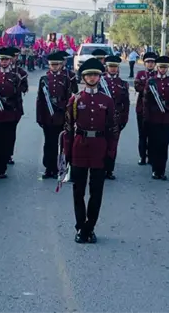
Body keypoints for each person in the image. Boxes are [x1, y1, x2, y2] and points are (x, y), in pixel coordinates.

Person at [62, 58, 118, 243]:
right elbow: (69, 129)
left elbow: (112, 130)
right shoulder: (75, 100)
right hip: (79, 147)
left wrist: (111, 154)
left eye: (95, 75)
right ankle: (80, 227)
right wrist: (67, 153)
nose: (92, 78)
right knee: (78, 191)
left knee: (97, 191)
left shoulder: (107, 101)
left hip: (99, 149)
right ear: (83, 77)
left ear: (100, 77)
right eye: (89, 75)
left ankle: (90, 227)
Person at [0, 47, 24, 179]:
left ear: (10, 60)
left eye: (6, 59)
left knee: (5, 143)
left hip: (9, 114)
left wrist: (17, 115)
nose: (4, 62)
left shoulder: (15, 77)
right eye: (2, 59)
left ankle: (2, 169)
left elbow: (18, 98)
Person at [36, 52, 74, 179]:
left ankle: (60, 168)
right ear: (49, 65)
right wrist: (39, 117)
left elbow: (69, 98)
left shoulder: (66, 79)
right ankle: (48, 168)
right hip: (47, 116)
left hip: (61, 115)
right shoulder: (44, 79)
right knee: (48, 143)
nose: (55, 67)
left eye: (57, 64)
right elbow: (40, 100)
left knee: (61, 143)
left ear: (61, 65)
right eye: (52, 64)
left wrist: (67, 114)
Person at [142, 55, 169, 180]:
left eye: (165, 67)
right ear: (157, 67)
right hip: (154, 117)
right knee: (154, 144)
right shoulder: (151, 82)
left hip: (167, 117)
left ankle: (161, 170)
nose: (163, 69)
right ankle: (154, 169)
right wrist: (146, 118)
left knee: (164, 145)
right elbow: (146, 102)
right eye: (161, 67)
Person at [101, 55, 129, 180]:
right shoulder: (100, 82)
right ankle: (99, 168)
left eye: (115, 67)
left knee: (112, 145)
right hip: (101, 118)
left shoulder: (123, 84)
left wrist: (124, 120)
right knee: (101, 144)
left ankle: (109, 170)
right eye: (110, 66)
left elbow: (126, 104)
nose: (113, 69)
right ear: (106, 67)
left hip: (116, 119)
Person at [133, 52, 158, 165]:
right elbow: (137, 87)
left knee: (153, 135)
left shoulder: (158, 75)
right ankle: (142, 156)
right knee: (142, 134)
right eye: (148, 62)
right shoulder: (140, 74)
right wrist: (149, 89)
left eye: (152, 62)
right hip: (141, 108)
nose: (150, 64)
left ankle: (152, 157)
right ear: (144, 63)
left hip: (155, 110)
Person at [7, 46, 28, 164]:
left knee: (11, 131)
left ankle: (9, 154)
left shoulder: (21, 72)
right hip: (1, 107)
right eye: (12, 56)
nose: (14, 59)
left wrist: (17, 84)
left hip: (15, 105)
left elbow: (25, 88)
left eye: (15, 56)